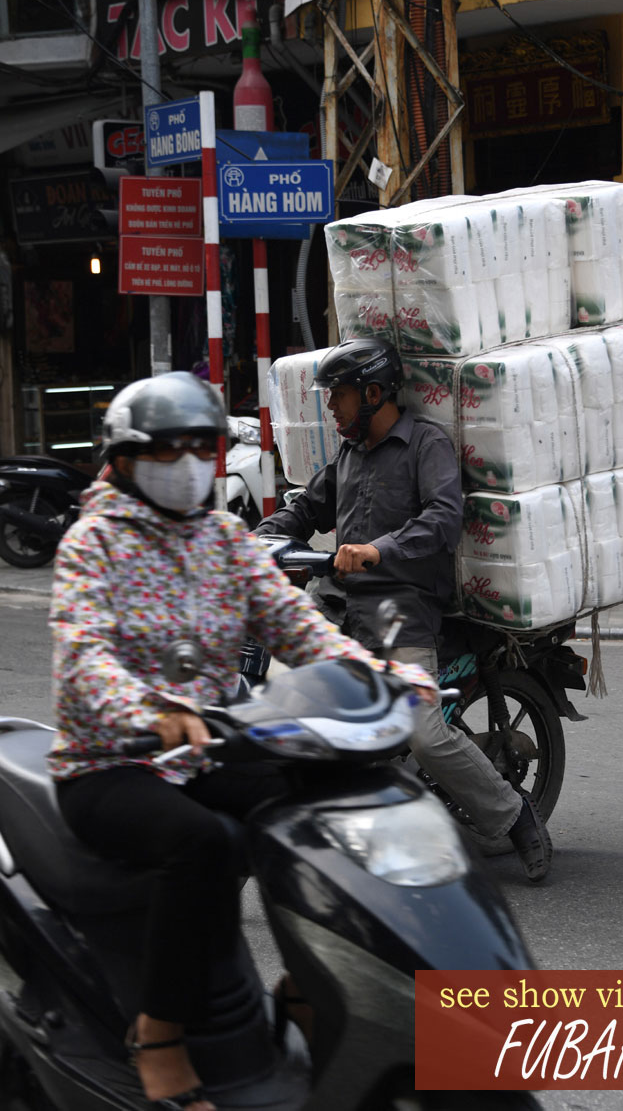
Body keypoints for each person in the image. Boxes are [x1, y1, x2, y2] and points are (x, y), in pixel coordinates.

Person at [47, 371, 438, 1111]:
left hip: (207, 746)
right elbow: (82, 654)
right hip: (109, 761)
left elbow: (300, 628)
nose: (189, 461)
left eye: (204, 445)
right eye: (171, 447)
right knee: (206, 844)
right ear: (126, 458)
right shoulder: (90, 544)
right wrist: (149, 709)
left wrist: (380, 676)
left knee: (325, 806)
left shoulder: (225, 538)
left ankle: (309, 984)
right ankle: (158, 1032)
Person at [256, 337, 552, 884]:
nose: (331, 407)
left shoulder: (424, 444)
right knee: (276, 702)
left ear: (373, 392)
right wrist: (260, 538)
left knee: (423, 732)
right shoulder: (349, 454)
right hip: (338, 605)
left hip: (402, 609)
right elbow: (307, 506)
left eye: (339, 395)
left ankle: (515, 817)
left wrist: (378, 550)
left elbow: (444, 517)